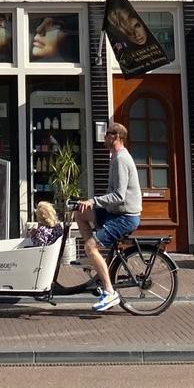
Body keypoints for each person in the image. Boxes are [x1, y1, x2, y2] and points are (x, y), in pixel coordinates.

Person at [75, 121, 142, 312]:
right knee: (79, 213)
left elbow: (119, 195)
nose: (104, 137)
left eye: (107, 134)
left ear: (116, 137)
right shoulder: (115, 157)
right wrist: (89, 205)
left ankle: (110, 292)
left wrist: (94, 201)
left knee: (90, 245)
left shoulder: (121, 159)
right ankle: (93, 257)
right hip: (115, 211)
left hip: (125, 216)